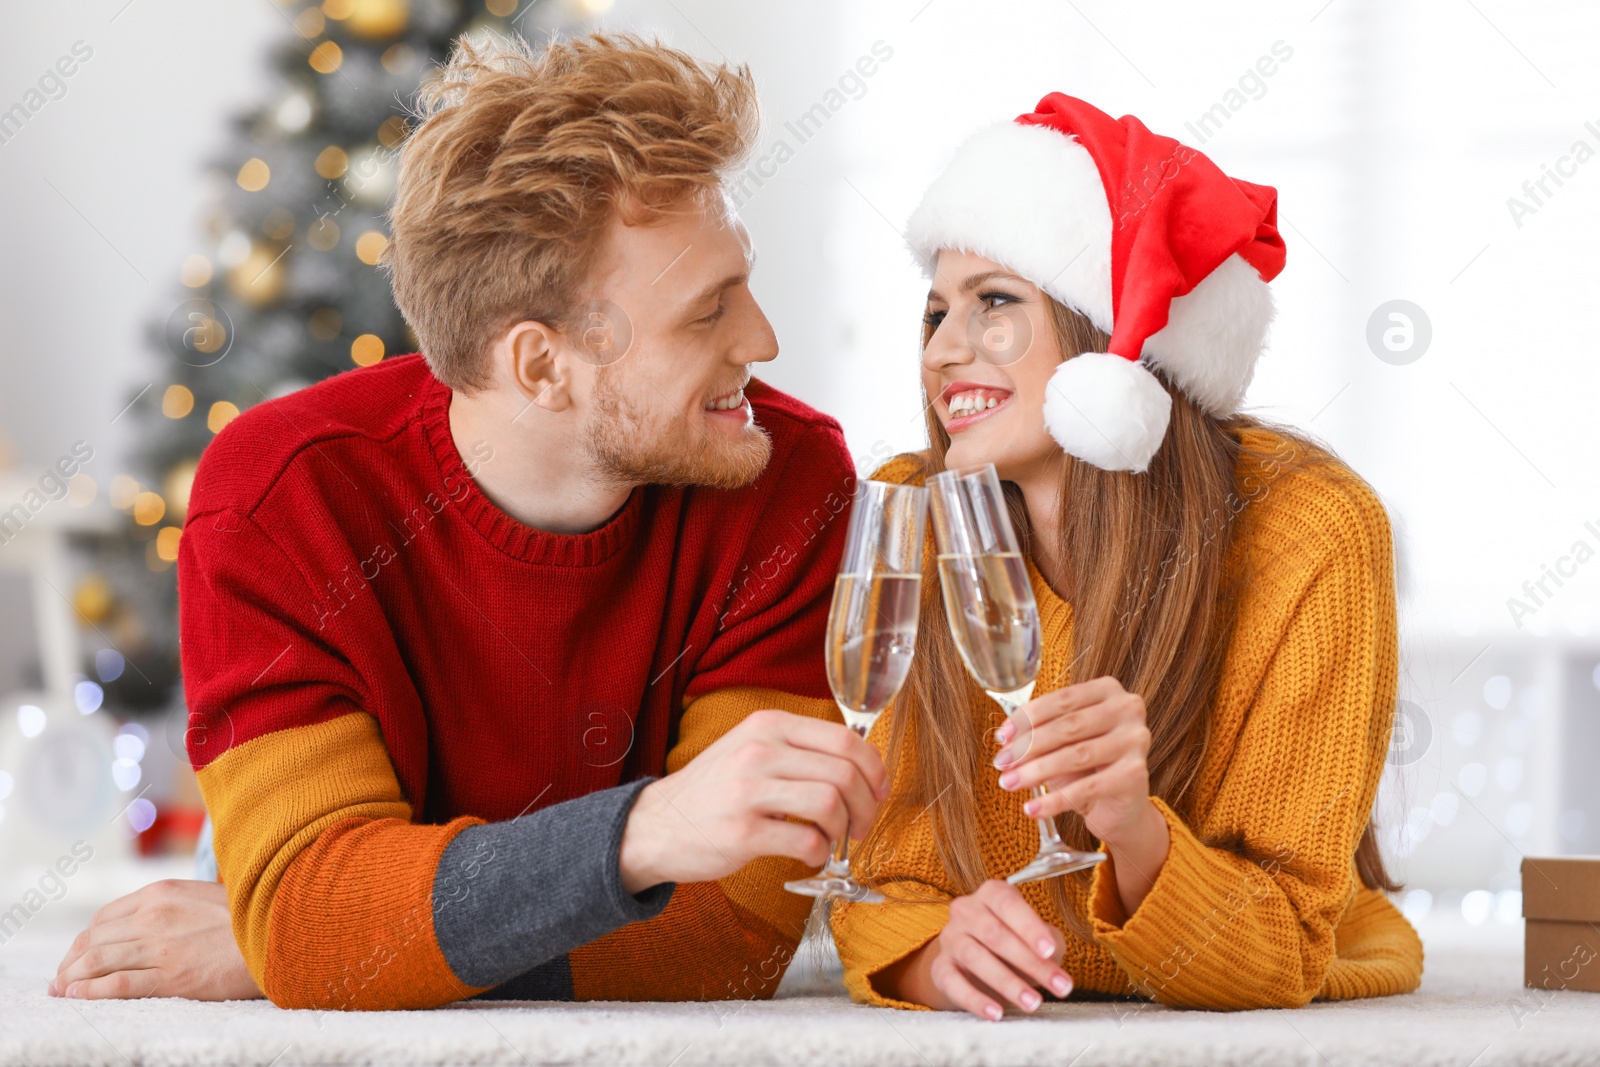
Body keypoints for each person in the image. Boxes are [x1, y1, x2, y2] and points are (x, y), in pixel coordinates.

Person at [50, 33, 889, 1008]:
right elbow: (308, 915)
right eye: (707, 312)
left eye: (743, 281)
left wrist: (340, 944)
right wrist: (643, 836)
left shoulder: (784, 480)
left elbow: (724, 937)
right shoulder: (280, 497)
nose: (764, 339)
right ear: (539, 365)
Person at [830, 94, 1425, 1018]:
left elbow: (1286, 948)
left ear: (1110, 343)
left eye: (995, 304)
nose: (943, 350)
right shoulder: (910, 510)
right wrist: (926, 957)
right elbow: (876, 883)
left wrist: (1133, 830)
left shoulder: (1310, 533)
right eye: (935, 312)